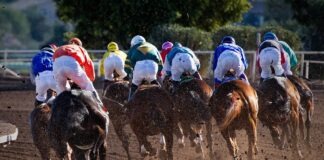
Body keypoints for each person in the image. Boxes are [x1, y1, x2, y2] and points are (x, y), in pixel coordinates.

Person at [52, 37, 104, 111]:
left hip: (56, 64)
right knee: (88, 85)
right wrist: (90, 79)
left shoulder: (62, 47)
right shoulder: (80, 49)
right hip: (71, 63)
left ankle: (57, 110)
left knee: (62, 92)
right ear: (80, 45)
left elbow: (55, 63)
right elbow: (89, 64)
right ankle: (101, 107)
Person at [125, 35, 163, 101]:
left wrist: (129, 74)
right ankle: (162, 100)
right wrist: (157, 73)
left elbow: (127, 66)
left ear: (133, 43)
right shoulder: (153, 46)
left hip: (139, 69)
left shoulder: (133, 48)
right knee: (156, 85)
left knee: (134, 87)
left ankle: (128, 105)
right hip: (152, 67)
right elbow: (161, 64)